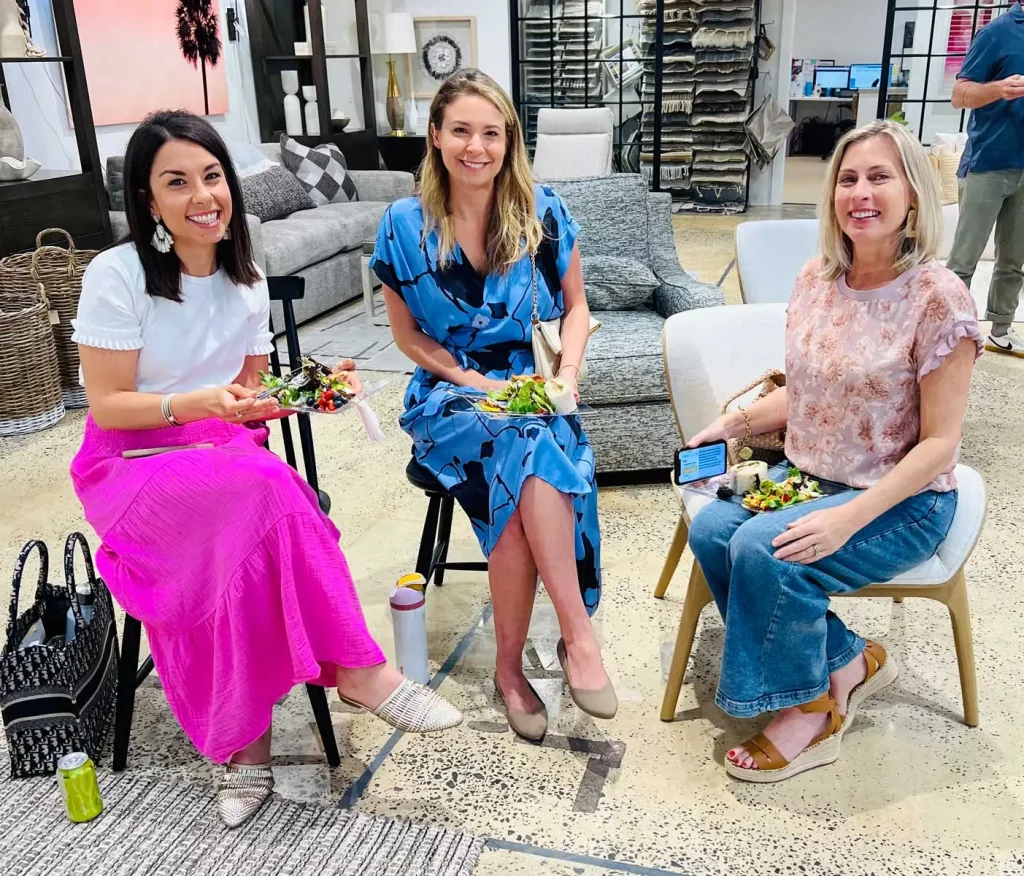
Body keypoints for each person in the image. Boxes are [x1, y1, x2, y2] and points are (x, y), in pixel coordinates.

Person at [69, 110, 462, 828]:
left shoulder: (245, 282)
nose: (202, 196)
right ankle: (357, 670)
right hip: (130, 468)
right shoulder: (116, 275)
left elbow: (245, 405)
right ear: (148, 201)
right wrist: (192, 405)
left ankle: (245, 749)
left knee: (255, 500)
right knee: (269, 494)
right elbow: (108, 407)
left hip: (218, 457)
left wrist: (310, 389)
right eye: (177, 182)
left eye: (212, 176)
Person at [686, 120, 982, 783]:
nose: (860, 192)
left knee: (767, 550)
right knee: (713, 529)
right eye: (848, 178)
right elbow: (812, 396)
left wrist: (846, 519)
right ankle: (845, 658)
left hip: (900, 499)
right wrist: (732, 424)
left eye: (880, 176)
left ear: (913, 192)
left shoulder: (938, 298)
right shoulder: (818, 277)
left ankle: (811, 711)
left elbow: (939, 447)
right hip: (812, 474)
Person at [369, 68, 615, 742]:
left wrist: (568, 374)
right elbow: (406, 336)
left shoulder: (541, 210)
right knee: (527, 445)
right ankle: (577, 636)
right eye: (461, 131)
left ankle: (511, 669)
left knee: (526, 450)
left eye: (492, 133)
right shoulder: (402, 225)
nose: (476, 147)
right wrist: (480, 387)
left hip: (534, 386)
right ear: (436, 137)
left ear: (509, 141)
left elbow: (577, 308)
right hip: (450, 394)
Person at [948, 3, 1024, 357]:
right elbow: (960, 95)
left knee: (1014, 259)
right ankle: (947, 330)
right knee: (965, 258)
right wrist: (999, 89)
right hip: (988, 164)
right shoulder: (996, 32)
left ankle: (1001, 329)